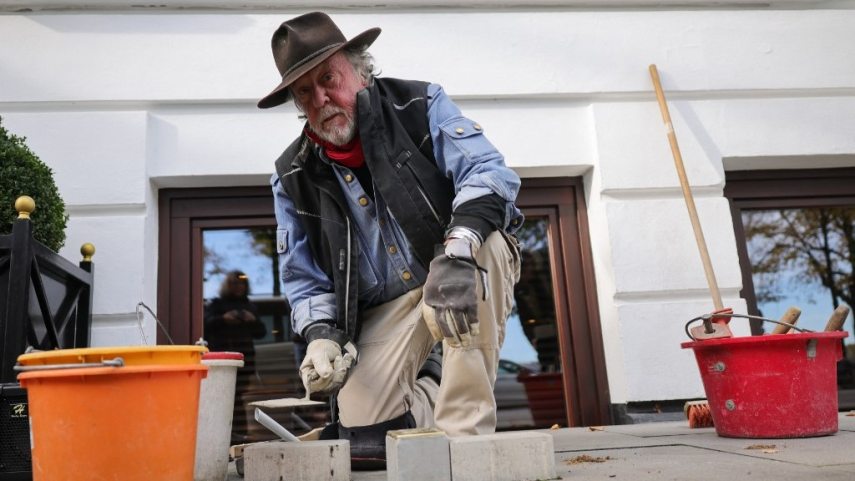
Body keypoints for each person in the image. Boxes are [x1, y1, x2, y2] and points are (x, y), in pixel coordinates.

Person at [259, 12, 522, 464]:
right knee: (365, 434)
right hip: (385, 308)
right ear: (297, 103)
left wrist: (458, 248)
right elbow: (304, 278)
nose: (321, 99)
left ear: (360, 70)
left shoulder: (419, 103)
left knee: (490, 242)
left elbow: (488, 173)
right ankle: (434, 382)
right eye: (305, 91)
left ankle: (465, 443)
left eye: (329, 79)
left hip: (454, 268)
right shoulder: (291, 176)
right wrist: (321, 336)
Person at [203, 270, 267, 441]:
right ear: (228, 285)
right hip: (222, 358)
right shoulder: (216, 305)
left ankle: (239, 436)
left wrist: (252, 320)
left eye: (242, 283)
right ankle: (227, 436)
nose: (239, 286)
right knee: (226, 397)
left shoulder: (250, 305)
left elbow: (261, 332)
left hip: (244, 360)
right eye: (235, 283)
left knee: (237, 397)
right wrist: (223, 319)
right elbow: (204, 326)